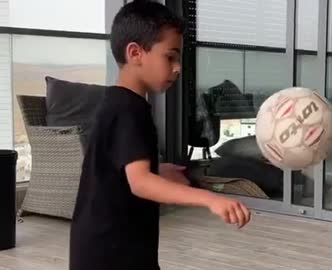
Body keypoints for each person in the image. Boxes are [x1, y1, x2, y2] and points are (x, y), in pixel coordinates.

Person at [69, 1, 251, 270]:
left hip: (103, 246)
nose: (177, 68)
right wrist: (211, 199)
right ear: (135, 53)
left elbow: (119, 169)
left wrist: (158, 169)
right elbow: (140, 183)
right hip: (112, 253)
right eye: (170, 57)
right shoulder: (130, 110)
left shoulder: (117, 102)